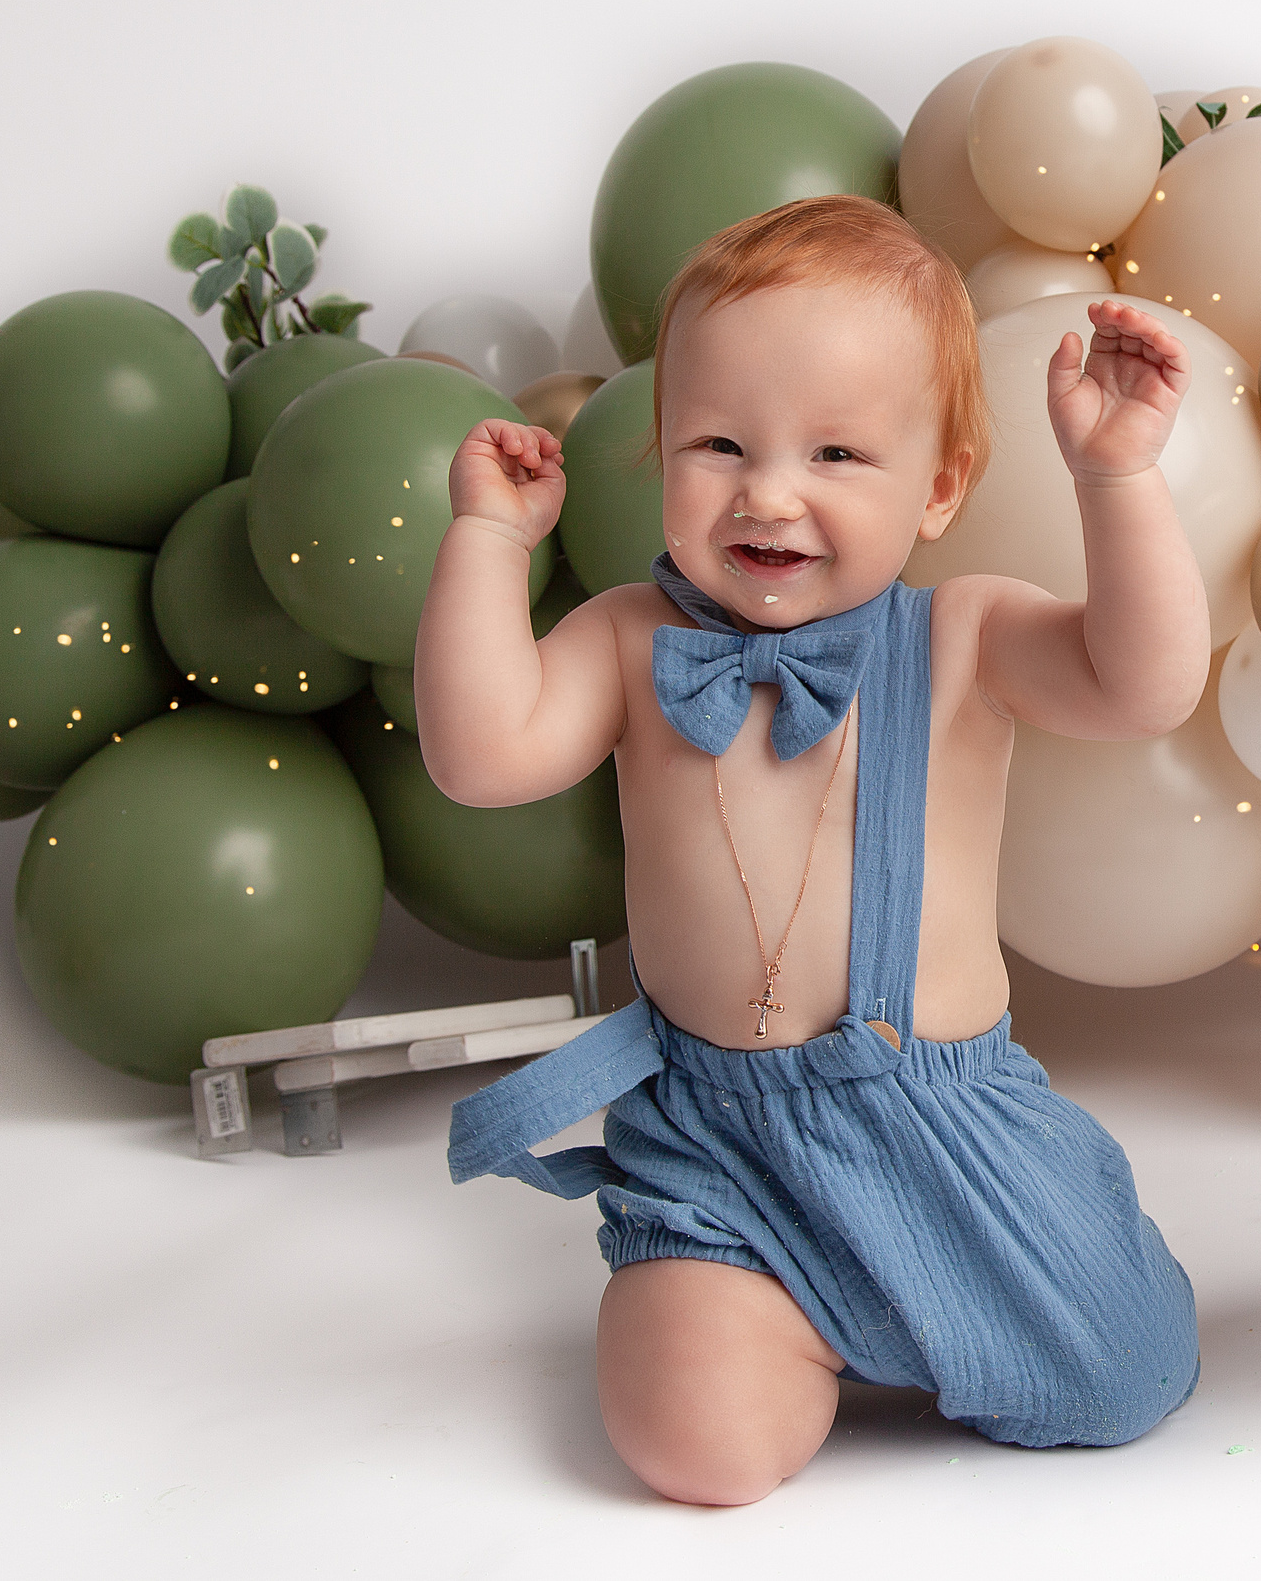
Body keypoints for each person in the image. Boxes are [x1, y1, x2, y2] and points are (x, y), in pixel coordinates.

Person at [415, 194, 1209, 1506]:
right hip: (718, 1146)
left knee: (1128, 1379)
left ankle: (971, 1292)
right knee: (695, 1452)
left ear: (941, 484)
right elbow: (481, 755)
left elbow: (1145, 686)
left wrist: (1114, 475)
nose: (768, 492)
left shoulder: (965, 638)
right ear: (661, 453)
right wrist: (489, 544)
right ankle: (773, 1318)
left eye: (837, 453)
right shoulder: (627, 640)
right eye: (719, 443)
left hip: (942, 1116)